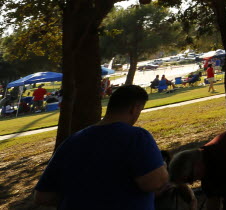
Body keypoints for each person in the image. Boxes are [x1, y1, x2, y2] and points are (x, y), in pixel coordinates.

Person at [34, 85, 167, 209]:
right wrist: (163, 170)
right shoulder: (137, 137)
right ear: (135, 108)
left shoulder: (71, 142)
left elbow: (43, 197)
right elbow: (154, 182)